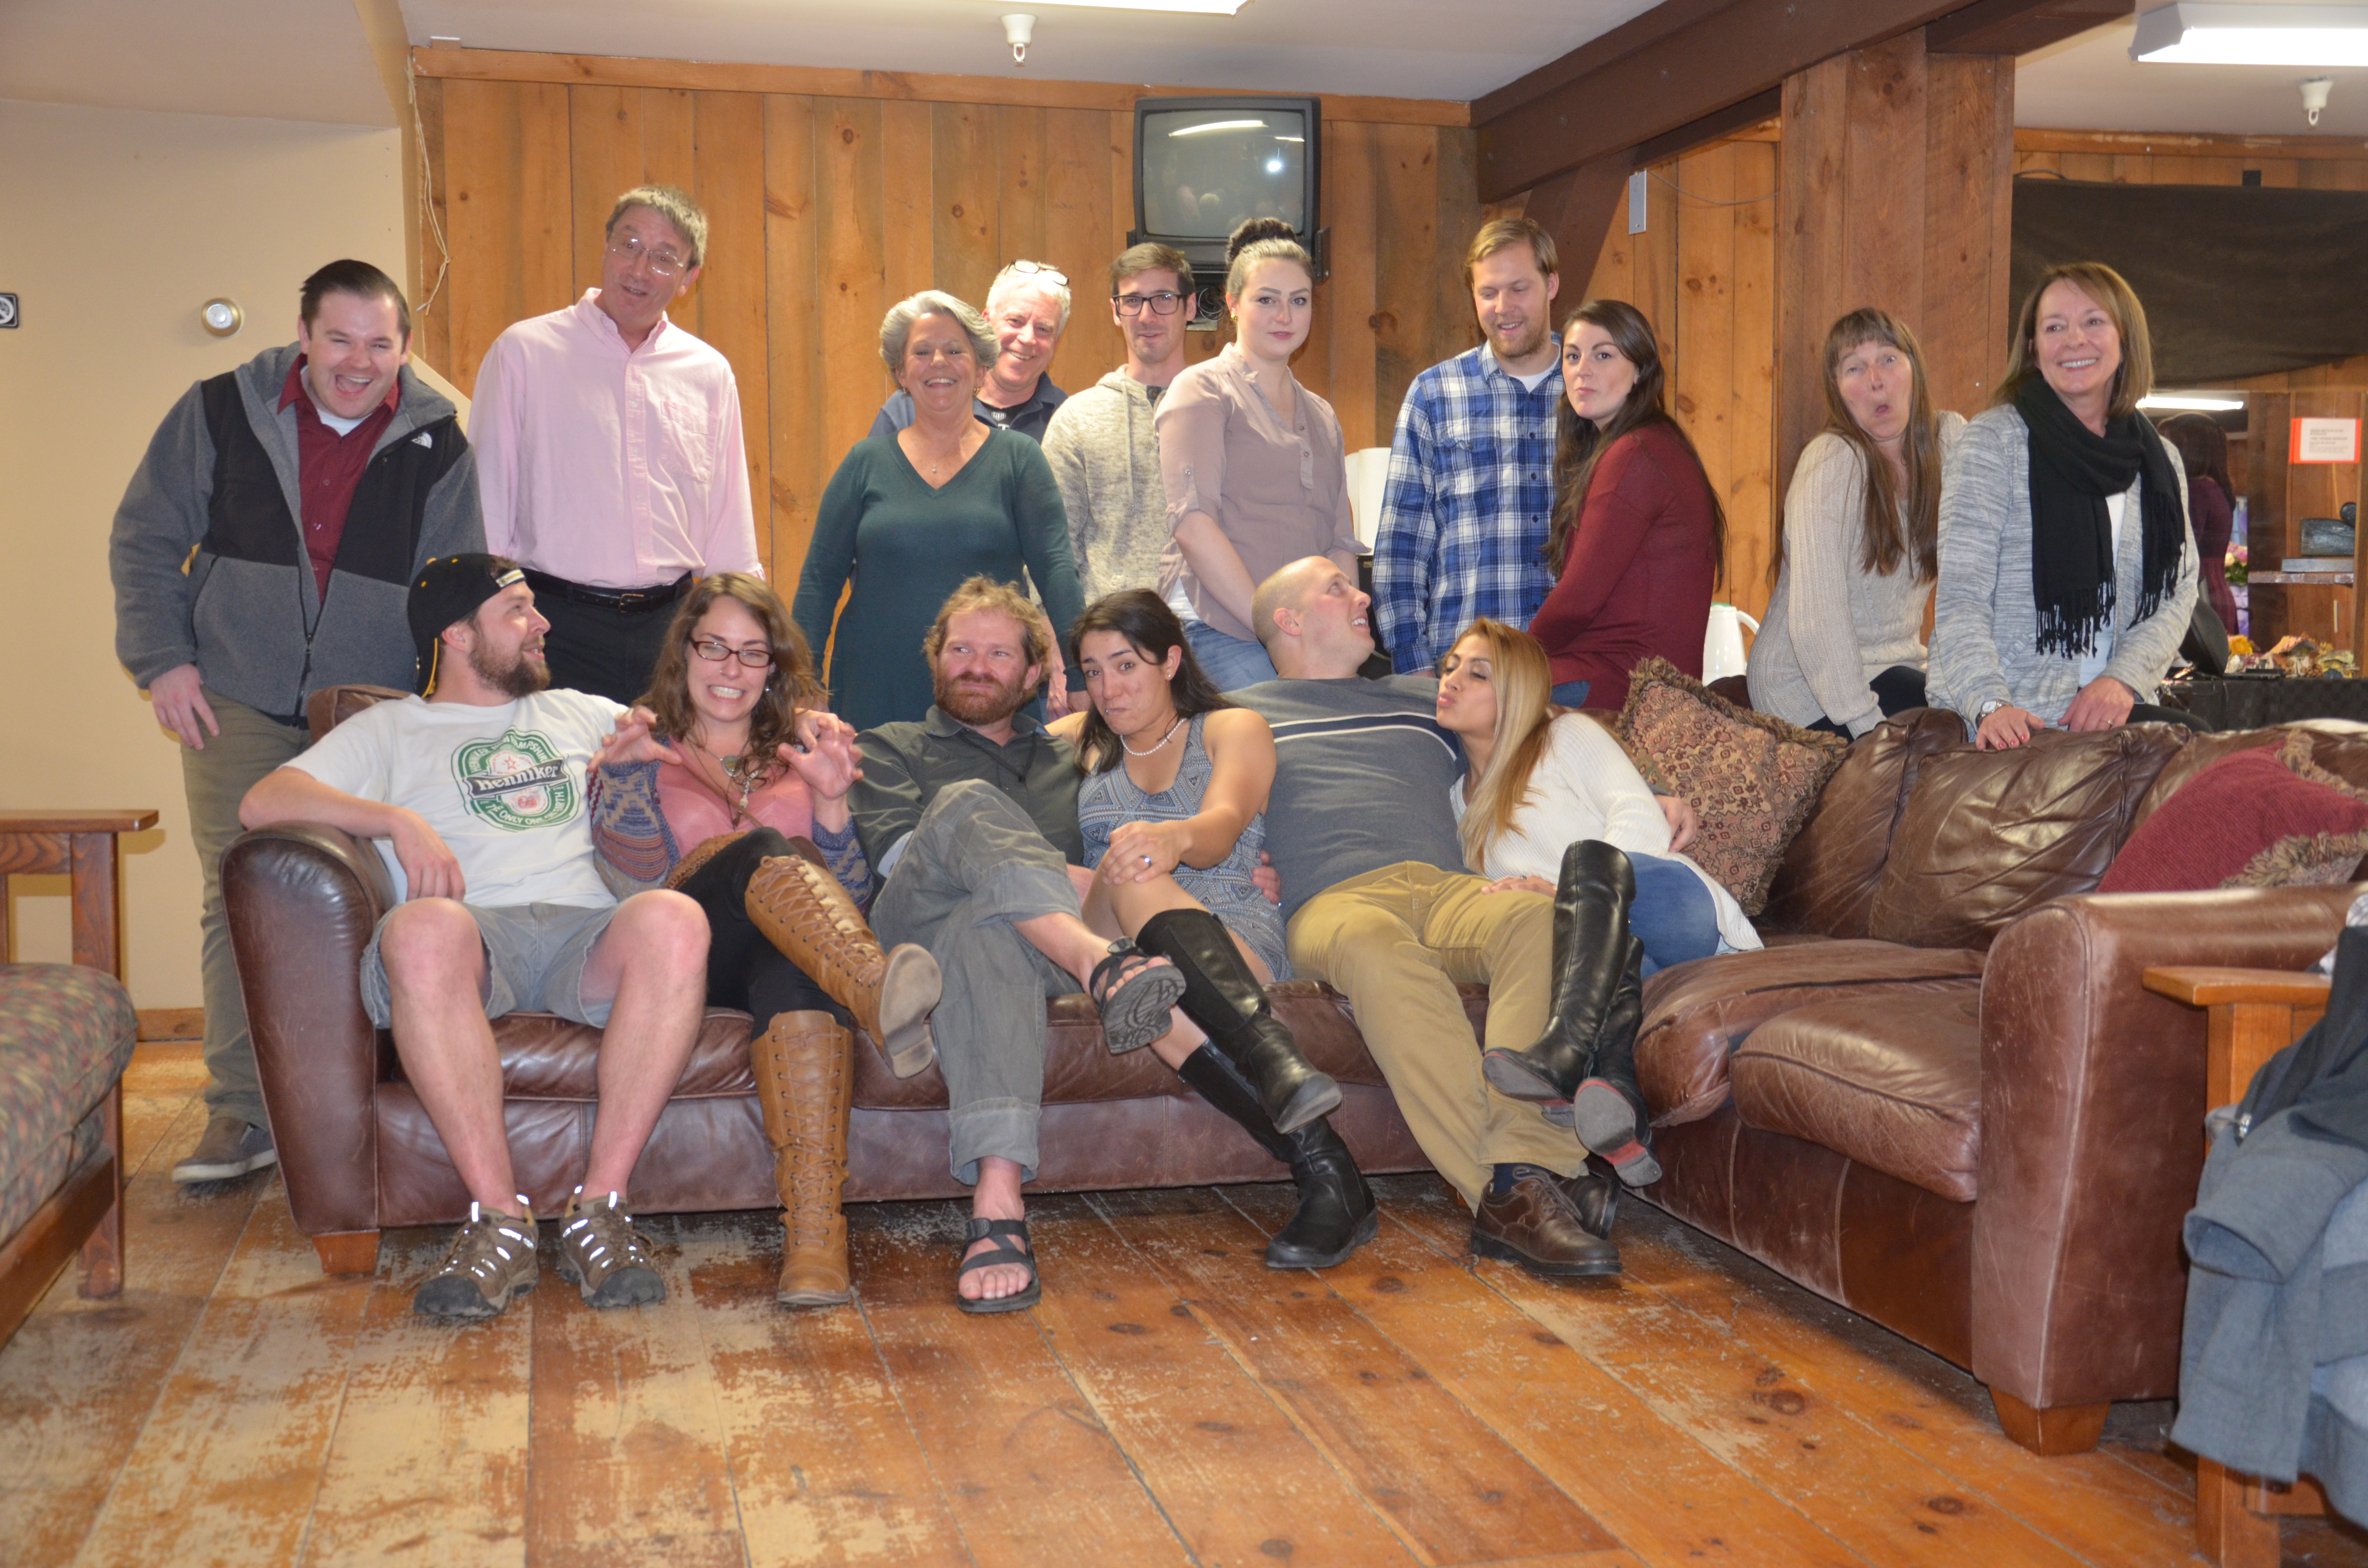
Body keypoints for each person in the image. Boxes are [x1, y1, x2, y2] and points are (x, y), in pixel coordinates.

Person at [237, 555, 712, 1321]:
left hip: (585, 932)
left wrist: (650, 770)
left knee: (675, 918)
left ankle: (599, 1211)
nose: (543, 623)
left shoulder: (583, 711)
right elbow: (264, 801)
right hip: (470, 935)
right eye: (518, 611)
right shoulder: (391, 729)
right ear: (457, 635)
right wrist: (397, 820)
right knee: (420, 929)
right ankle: (500, 1221)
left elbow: (710, 745)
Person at [109, 259, 482, 1187]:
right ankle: (243, 1110)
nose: (358, 362)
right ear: (304, 336)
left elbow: (453, 583)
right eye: (339, 339)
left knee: (370, 892)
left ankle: (363, 1097)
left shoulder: (440, 441)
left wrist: (441, 711)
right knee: (240, 889)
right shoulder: (219, 410)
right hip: (233, 692)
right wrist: (163, 659)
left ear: (404, 347)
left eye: (379, 343)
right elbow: (146, 537)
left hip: (366, 707)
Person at [1230, 557, 1631, 1278]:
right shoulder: (1240, 715)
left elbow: (1537, 718)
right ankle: (1516, 1192)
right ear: (1288, 620)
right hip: (1335, 902)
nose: (1362, 595)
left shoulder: (1422, 699)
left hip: (1447, 890)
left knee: (1539, 920)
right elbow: (1128, 742)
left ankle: (1520, 1171)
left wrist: (1653, 789)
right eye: (1337, 588)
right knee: (1380, 951)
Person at [590, 573, 939, 1308]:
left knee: (798, 963)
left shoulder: (805, 756)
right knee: (768, 850)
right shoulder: (644, 749)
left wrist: (833, 804)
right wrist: (621, 785)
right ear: (684, 652)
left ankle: (815, 1238)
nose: (732, 668)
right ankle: (877, 991)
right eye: (714, 647)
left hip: (783, 955)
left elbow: (848, 904)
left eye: (753, 653)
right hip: (687, 953)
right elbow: (636, 896)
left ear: (773, 667)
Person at [849, 577, 1194, 1312]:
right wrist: (1079, 901)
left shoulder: (1080, 759)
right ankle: (1098, 965)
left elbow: (1137, 852)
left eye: (999, 653)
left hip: (1028, 953)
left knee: (994, 932)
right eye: (961, 650)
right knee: (967, 806)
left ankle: (998, 1202)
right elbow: (902, 858)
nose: (976, 666)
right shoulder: (889, 746)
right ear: (935, 660)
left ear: (1035, 673)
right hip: (915, 945)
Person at [1050, 589, 1377, 1267]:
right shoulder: (1078, 741)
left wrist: (1171, 838)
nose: (1108, 689)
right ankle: (1273, 1059)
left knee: (1149, 1002)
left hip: (1228, 927)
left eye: (1126, 665)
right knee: (1130, 876)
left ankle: (1329, 1174)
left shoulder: (1233, 728)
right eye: (1092, 671)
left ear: (1171, 660)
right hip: (1111, 933)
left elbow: (1223, 827)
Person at [1435, 617, 1761, 1188]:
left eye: (1477, 673)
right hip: (1621, 955)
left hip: (1671, 905)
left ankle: (1565, 1049)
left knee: (1584, 862)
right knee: (1598, 956)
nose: (1452, 680)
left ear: (1517, 692)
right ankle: (1615, 1088)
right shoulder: (1457, 806)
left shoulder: (1564, 736)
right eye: (1449, 667)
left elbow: (1639, 818)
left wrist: (1563, 891)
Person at [470, 184, 762, 705]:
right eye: (629, 245)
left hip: (673, 631)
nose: (640, 269)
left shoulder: (708, 373)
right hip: (552, 625)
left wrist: (744, 637)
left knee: (669, 760)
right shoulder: (525, 353)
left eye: (664, 258)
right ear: (605, 247)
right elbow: (487, 509)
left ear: (689, 278)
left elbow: (728, 527)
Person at [1929, 262, 2202, 749]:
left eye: (2093, 322)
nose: (2074, 340)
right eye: (2054, 327)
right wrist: (1990, 703)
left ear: (2124, 340)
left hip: (2107, 709)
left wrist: (2121, 680)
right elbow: (1961, 597)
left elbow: (2176, 592)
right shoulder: (1992, 443)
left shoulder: (2160, 461)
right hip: (2007, 713)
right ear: (2033, 349)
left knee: (2205, 752)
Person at [792, 291, 1085, 733]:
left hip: (989, 696)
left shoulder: (1020, 459)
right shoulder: (864, 463)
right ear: (901, 373)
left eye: (954, 351)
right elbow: (819, 580)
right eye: (922, 352)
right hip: (875, 690)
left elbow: (1057, 570)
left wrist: (1081, 673)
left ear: (981, 369)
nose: (938, 363)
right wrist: (801, 680)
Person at [1156, 218, 1361, 691]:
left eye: (1299, 301)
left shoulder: (1322, 415)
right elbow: (1192, 526)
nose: (1284, 316)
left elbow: (1339, 544)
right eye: (1266, 300)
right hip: (1218, 630)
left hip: (1302, 639)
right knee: (1278, 735)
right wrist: (1272, 630)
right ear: (1232, 304)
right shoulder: (1201, 389)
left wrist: (1335, 635)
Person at [1748, 309, 1967, 737]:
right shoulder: (1833, 462)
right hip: (1805, 690)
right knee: (1955, 727)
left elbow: (1978, 581)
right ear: (1837, 391)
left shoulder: (1949, 440)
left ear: (1915, 369)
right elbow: (1817, 620)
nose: (1875, 381)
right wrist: (1869, 729)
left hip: (1896, 665)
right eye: (1854, 368)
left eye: (1888, 359)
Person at [1373, 217, 1566, 674]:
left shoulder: (1593, 388)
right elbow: (1401, 547)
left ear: (1551, 285)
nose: (1503, 307)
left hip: (1572, 666)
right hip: (1467, 669)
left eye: (1518, 288)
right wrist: (1414, 666)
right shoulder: (1434, 393)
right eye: (1488, 292)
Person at [1527, 299, 1724, 713]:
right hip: (1635, 680)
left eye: (1603, 355)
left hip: (1627, 683)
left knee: (1461, 698)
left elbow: (1578, 600)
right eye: (1573, 357)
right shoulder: (1648, 444)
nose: (1582, 370)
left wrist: (1514, 658)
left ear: (1640, 370)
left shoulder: (1634, 454)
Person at [1041, 245, 1197, 602]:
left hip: (1212, 627)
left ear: (1189, 307)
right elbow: (1055, 548)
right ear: (1116, 311)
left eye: (1164, 299)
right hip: (1109, 627)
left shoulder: (1221, 409)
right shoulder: (1077, 419)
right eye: (1133, 301)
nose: (1147, 316)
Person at [868, 260, 1071, 442]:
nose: (1027, 338)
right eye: (1015, 321)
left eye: (1043, 329)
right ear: (987, 322)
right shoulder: (907, 408)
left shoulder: (1070, 419)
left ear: (1056, 342)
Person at [2158, 413, 2241, 634]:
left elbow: (2180, 551)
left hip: (2200, 597)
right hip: (2213, 590)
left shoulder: (2198, 491)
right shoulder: (2213, 487)